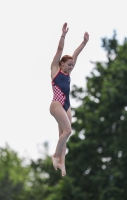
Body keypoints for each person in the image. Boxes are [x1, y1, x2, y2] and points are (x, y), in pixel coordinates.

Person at [50, 22, 89, 176]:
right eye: (69, 65)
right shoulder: (55, 70)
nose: (71, 67)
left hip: (67, 105)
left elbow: (76, 54)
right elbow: (60, 50)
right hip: (56, 104)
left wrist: (84, 43)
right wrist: (63, 35)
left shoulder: (68, 74)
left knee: (63, 135)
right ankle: (55, 156)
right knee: (68, 130)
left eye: (73, 65)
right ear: (61, 64)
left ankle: (62, 163)